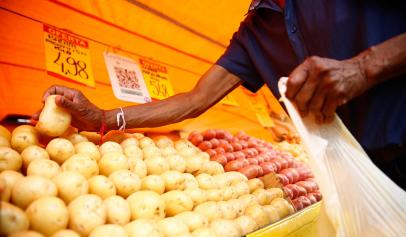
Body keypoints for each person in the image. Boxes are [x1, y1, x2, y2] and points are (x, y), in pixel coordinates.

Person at [37, 0, 406, 189]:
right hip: (355, 173)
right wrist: (103, 118)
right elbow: (193, 100)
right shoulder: (255, 31)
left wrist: (364, 67)